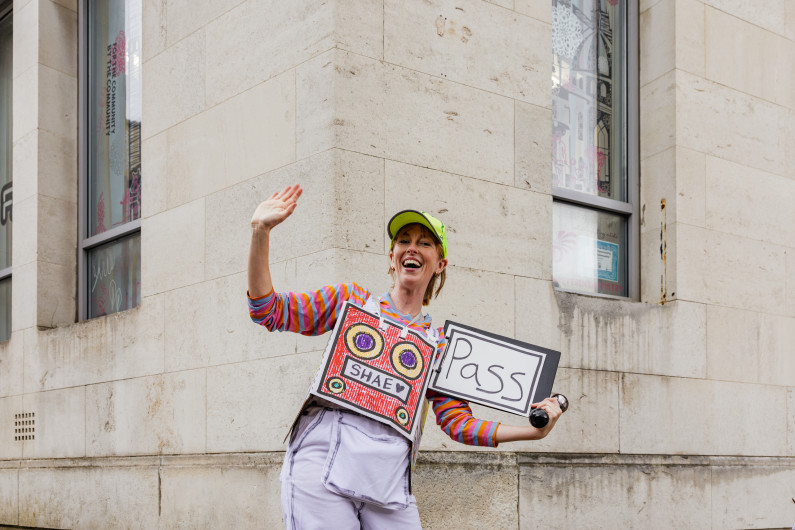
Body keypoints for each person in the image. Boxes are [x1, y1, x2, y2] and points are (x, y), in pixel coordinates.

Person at [247, 184, 562, 529]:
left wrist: (532, 432)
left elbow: (460, 424)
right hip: (320, 468)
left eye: (424, 243)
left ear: (440, 263)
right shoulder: (350, 302)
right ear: (392, 256)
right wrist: (260, 231)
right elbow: (268, 310)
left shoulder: (441, 347)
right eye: (403, 240)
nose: (412, 247)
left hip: (388, 483)